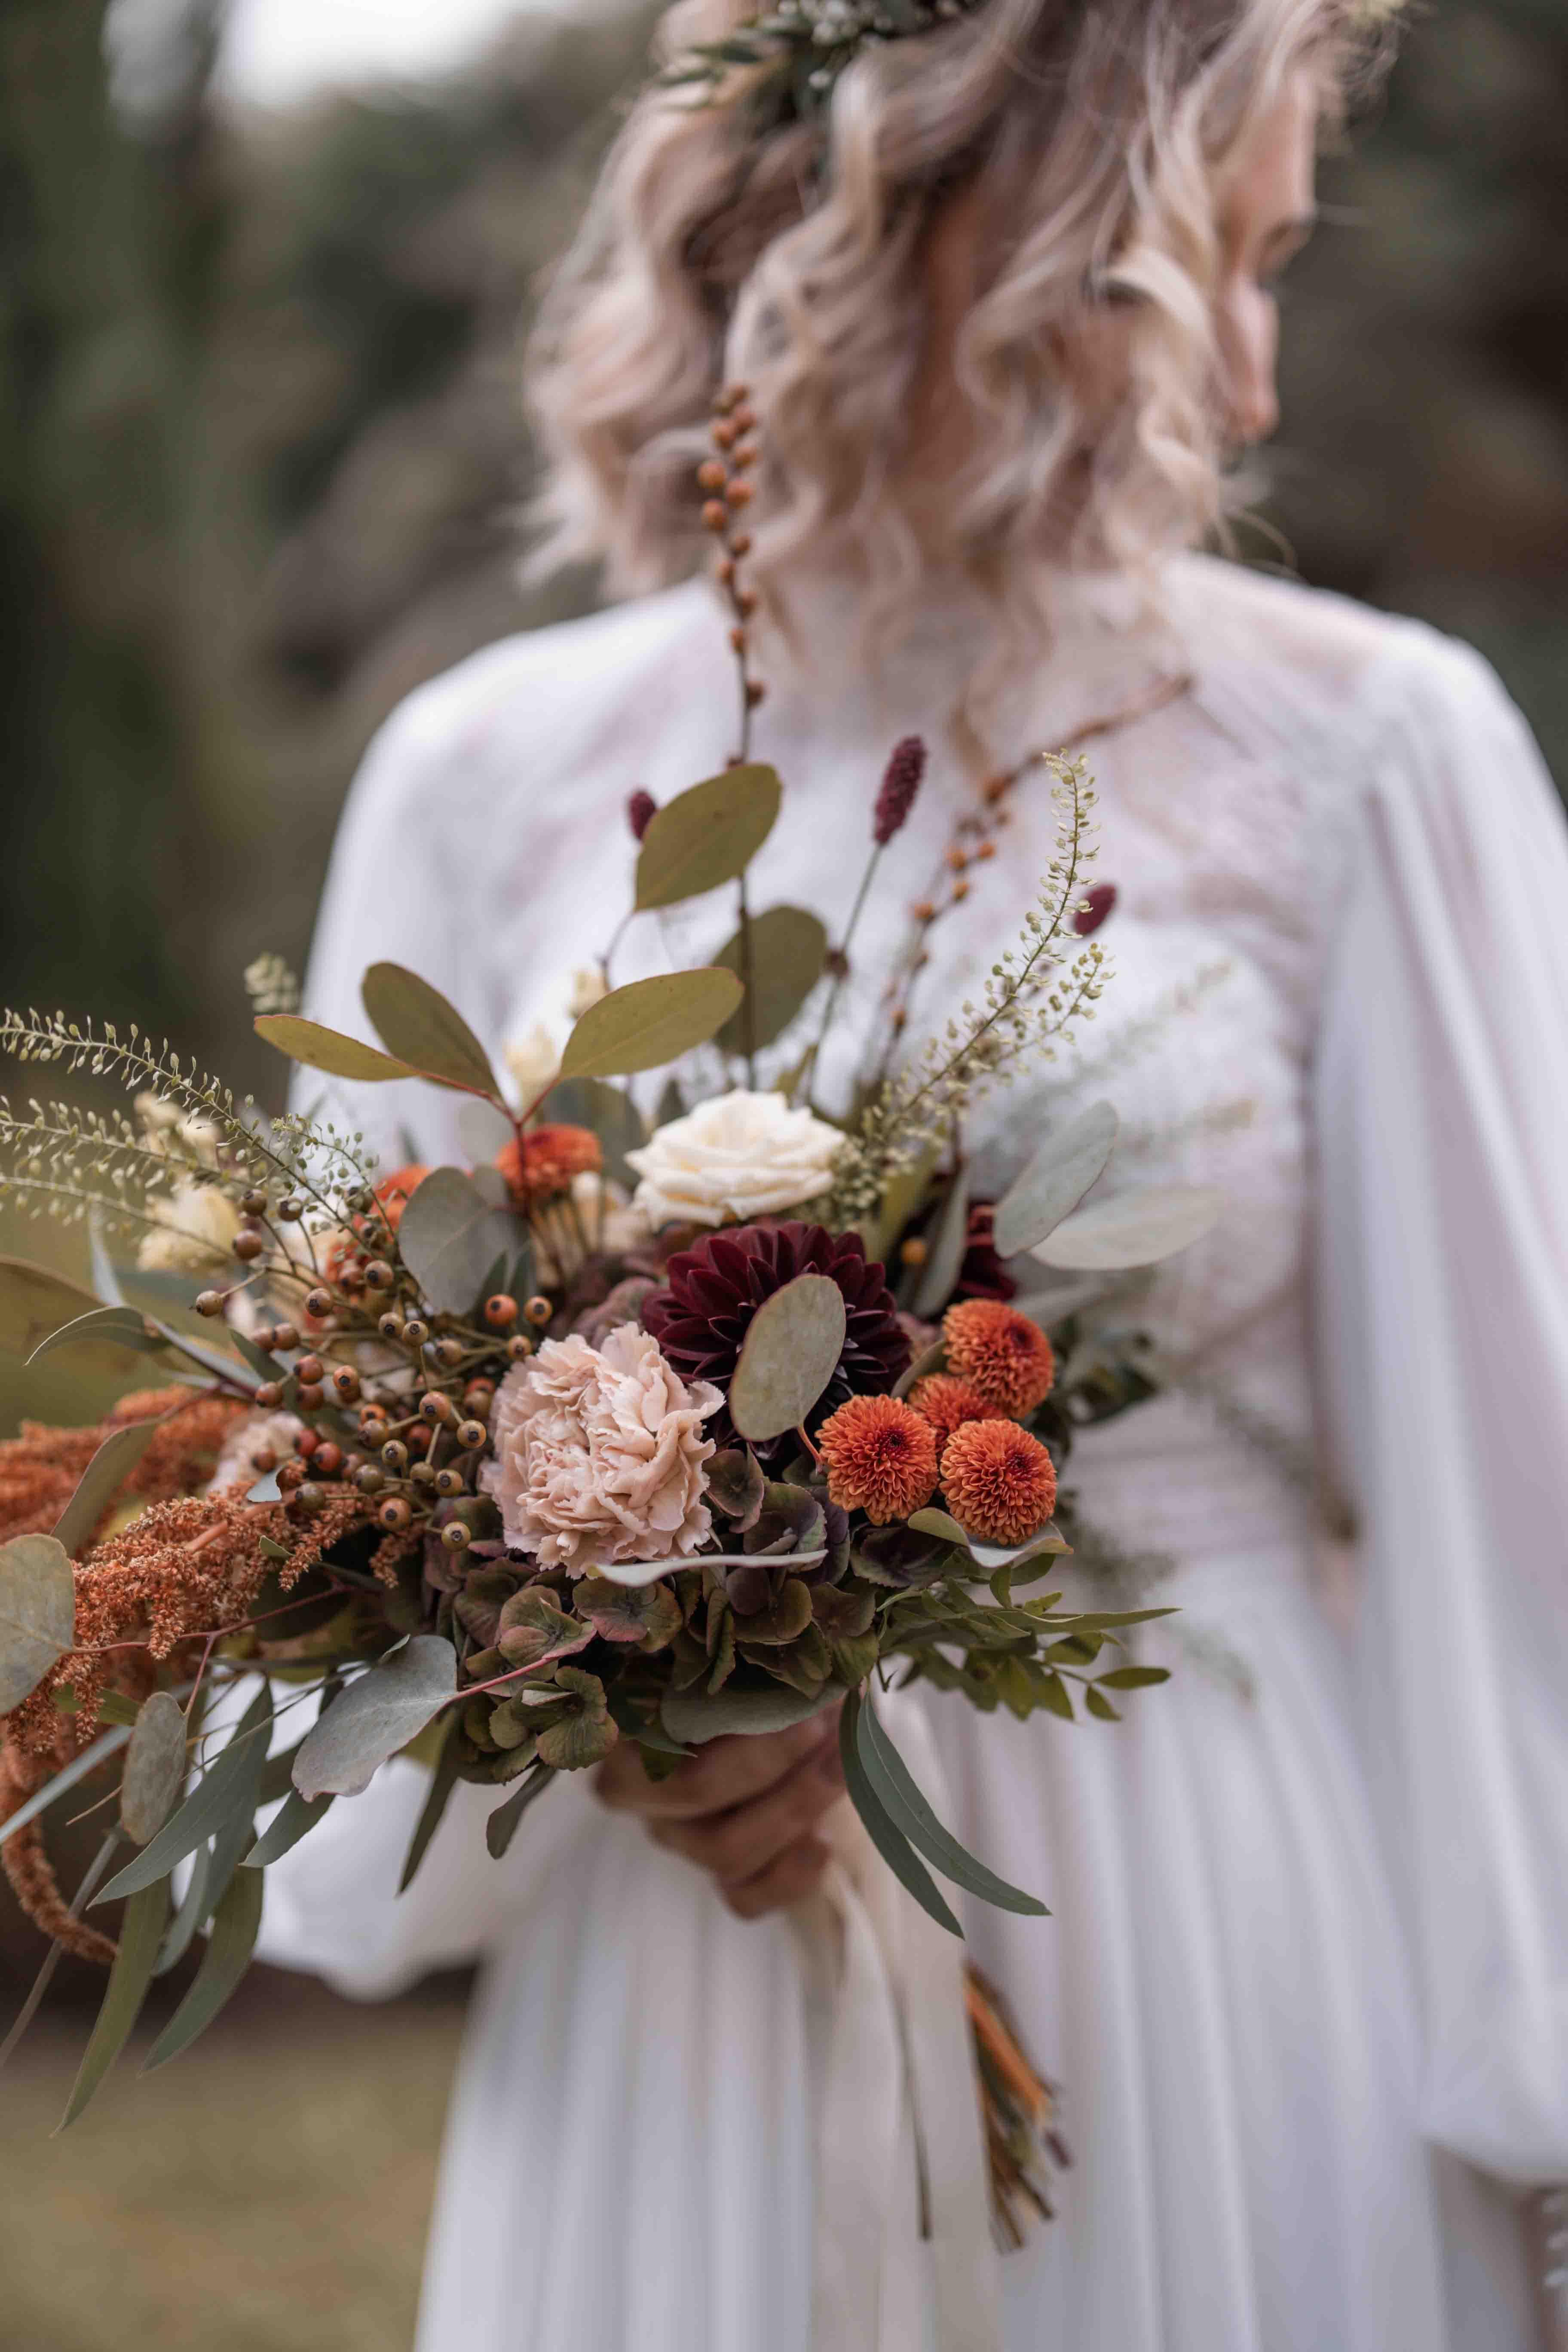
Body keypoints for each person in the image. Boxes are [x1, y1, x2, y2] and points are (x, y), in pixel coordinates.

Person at [258, 1, 1568, 2346]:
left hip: (1223, 1955)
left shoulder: (1373, 757)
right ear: (1023, 226)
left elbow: (1524, 1518)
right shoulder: (488, 777)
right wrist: (618, 1693)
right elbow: (330, 1498)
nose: (1257, 376)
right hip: (690, 1975)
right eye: (1239, 259)